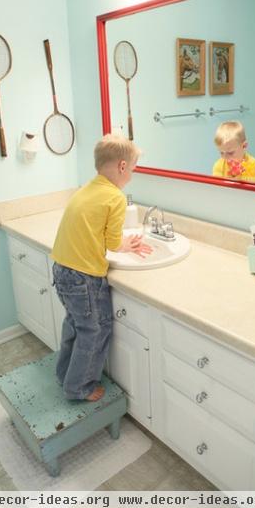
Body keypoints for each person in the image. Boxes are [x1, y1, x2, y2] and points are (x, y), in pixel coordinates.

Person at [51, 134, 152, 402]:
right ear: (121, 166)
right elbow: (111, 242)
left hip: (62, 269)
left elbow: (96, 232)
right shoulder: (115, 197)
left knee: (75, 325)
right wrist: (126, 245)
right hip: (84, 277)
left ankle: (65, 374)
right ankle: (79, 388)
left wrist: (121, 243)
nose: (131, 175)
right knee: (95, 330)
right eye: (132, 169)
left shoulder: (86, 189)